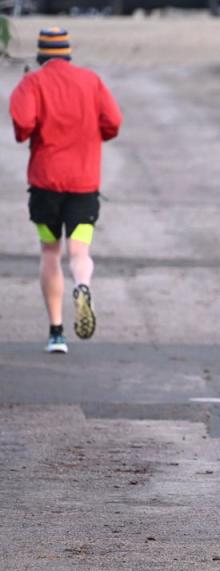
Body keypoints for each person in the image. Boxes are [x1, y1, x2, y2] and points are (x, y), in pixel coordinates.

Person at [9, 27, 123, 353]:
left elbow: (23, 125)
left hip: (46, 184)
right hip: (84, 184)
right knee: (79, 252)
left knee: (50, 252)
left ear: (42, 54)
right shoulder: (91, 81)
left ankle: (56, 332)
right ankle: (83, 286)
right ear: (68, 53)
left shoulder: (33, 82)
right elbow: (113, 122)